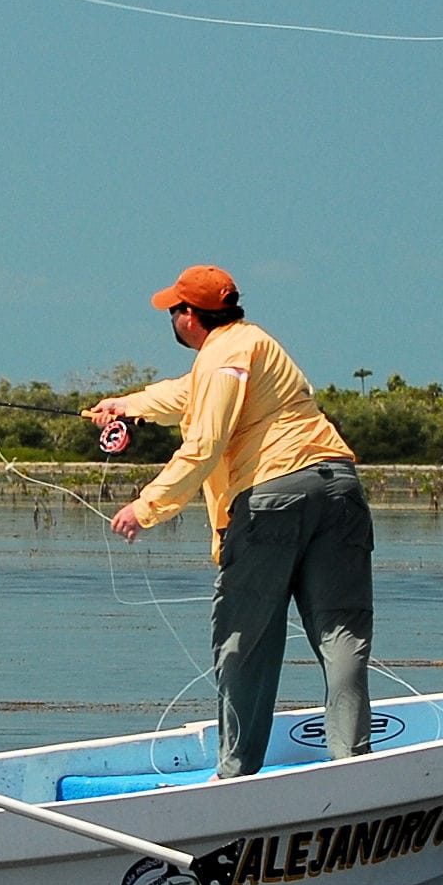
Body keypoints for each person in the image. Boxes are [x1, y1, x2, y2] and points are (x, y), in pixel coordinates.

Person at [86, 266, 375, 779]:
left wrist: (144, 507)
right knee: (341, 632)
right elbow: (184, 395)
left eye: (174, 310)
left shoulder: (221, 358)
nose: (171, 318)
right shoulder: (253, 344)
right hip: (340, 486)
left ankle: (235, 775)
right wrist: (125, 406)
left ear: (190, 316)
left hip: (273, 497)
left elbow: (204, 443)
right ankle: (354, 764)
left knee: (244, 640)